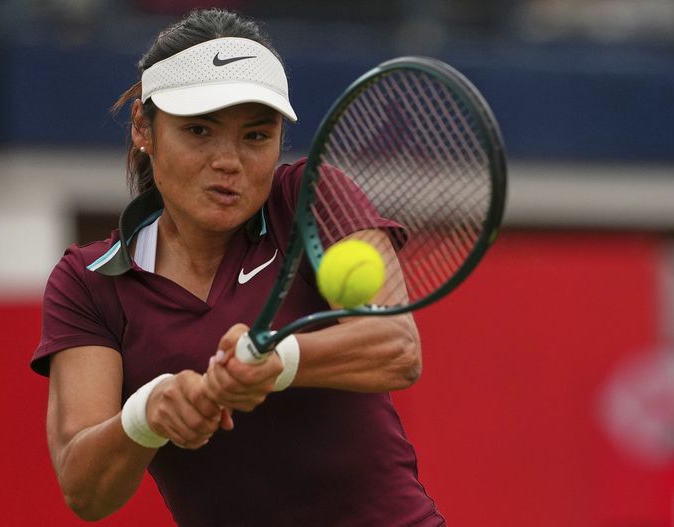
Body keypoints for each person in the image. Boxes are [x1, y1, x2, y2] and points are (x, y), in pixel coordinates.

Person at [31, 8, 445, 526]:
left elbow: (396, 348)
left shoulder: (310, 195)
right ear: (144, 126)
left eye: (255, 136)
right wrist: (147, 413)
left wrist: (278, 361)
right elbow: (83, 488)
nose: (228, 161)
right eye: (199, 130)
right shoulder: (88, 283)